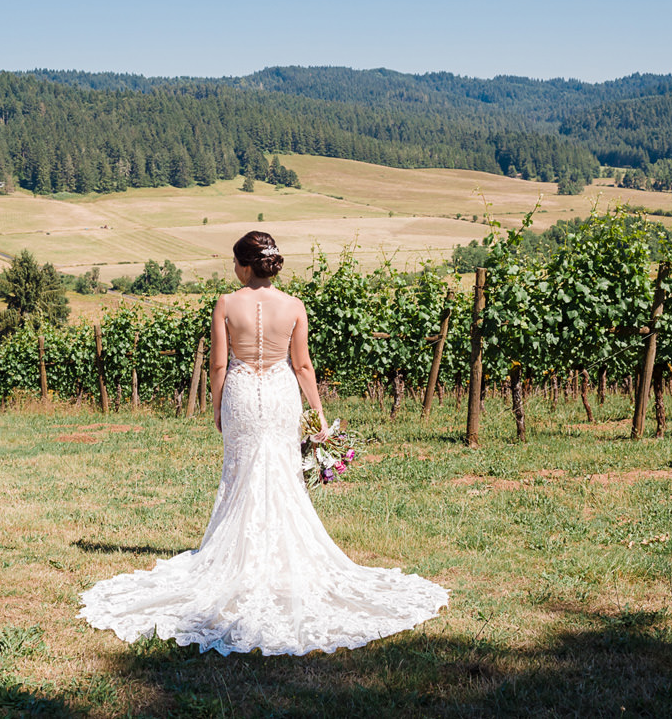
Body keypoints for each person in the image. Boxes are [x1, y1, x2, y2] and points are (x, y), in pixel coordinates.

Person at [78, 231, 447, 655]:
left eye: (235, 262)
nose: (233, 269)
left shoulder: (225, 304)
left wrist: (216, 407)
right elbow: (303, 365)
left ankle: (240, 556)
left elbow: (218, 363)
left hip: (240, 392)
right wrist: (319, 415)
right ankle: (279, 557)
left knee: (240, 472)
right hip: (279, 395)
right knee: (281, 470)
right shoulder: (293, 306)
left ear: (246, 264)